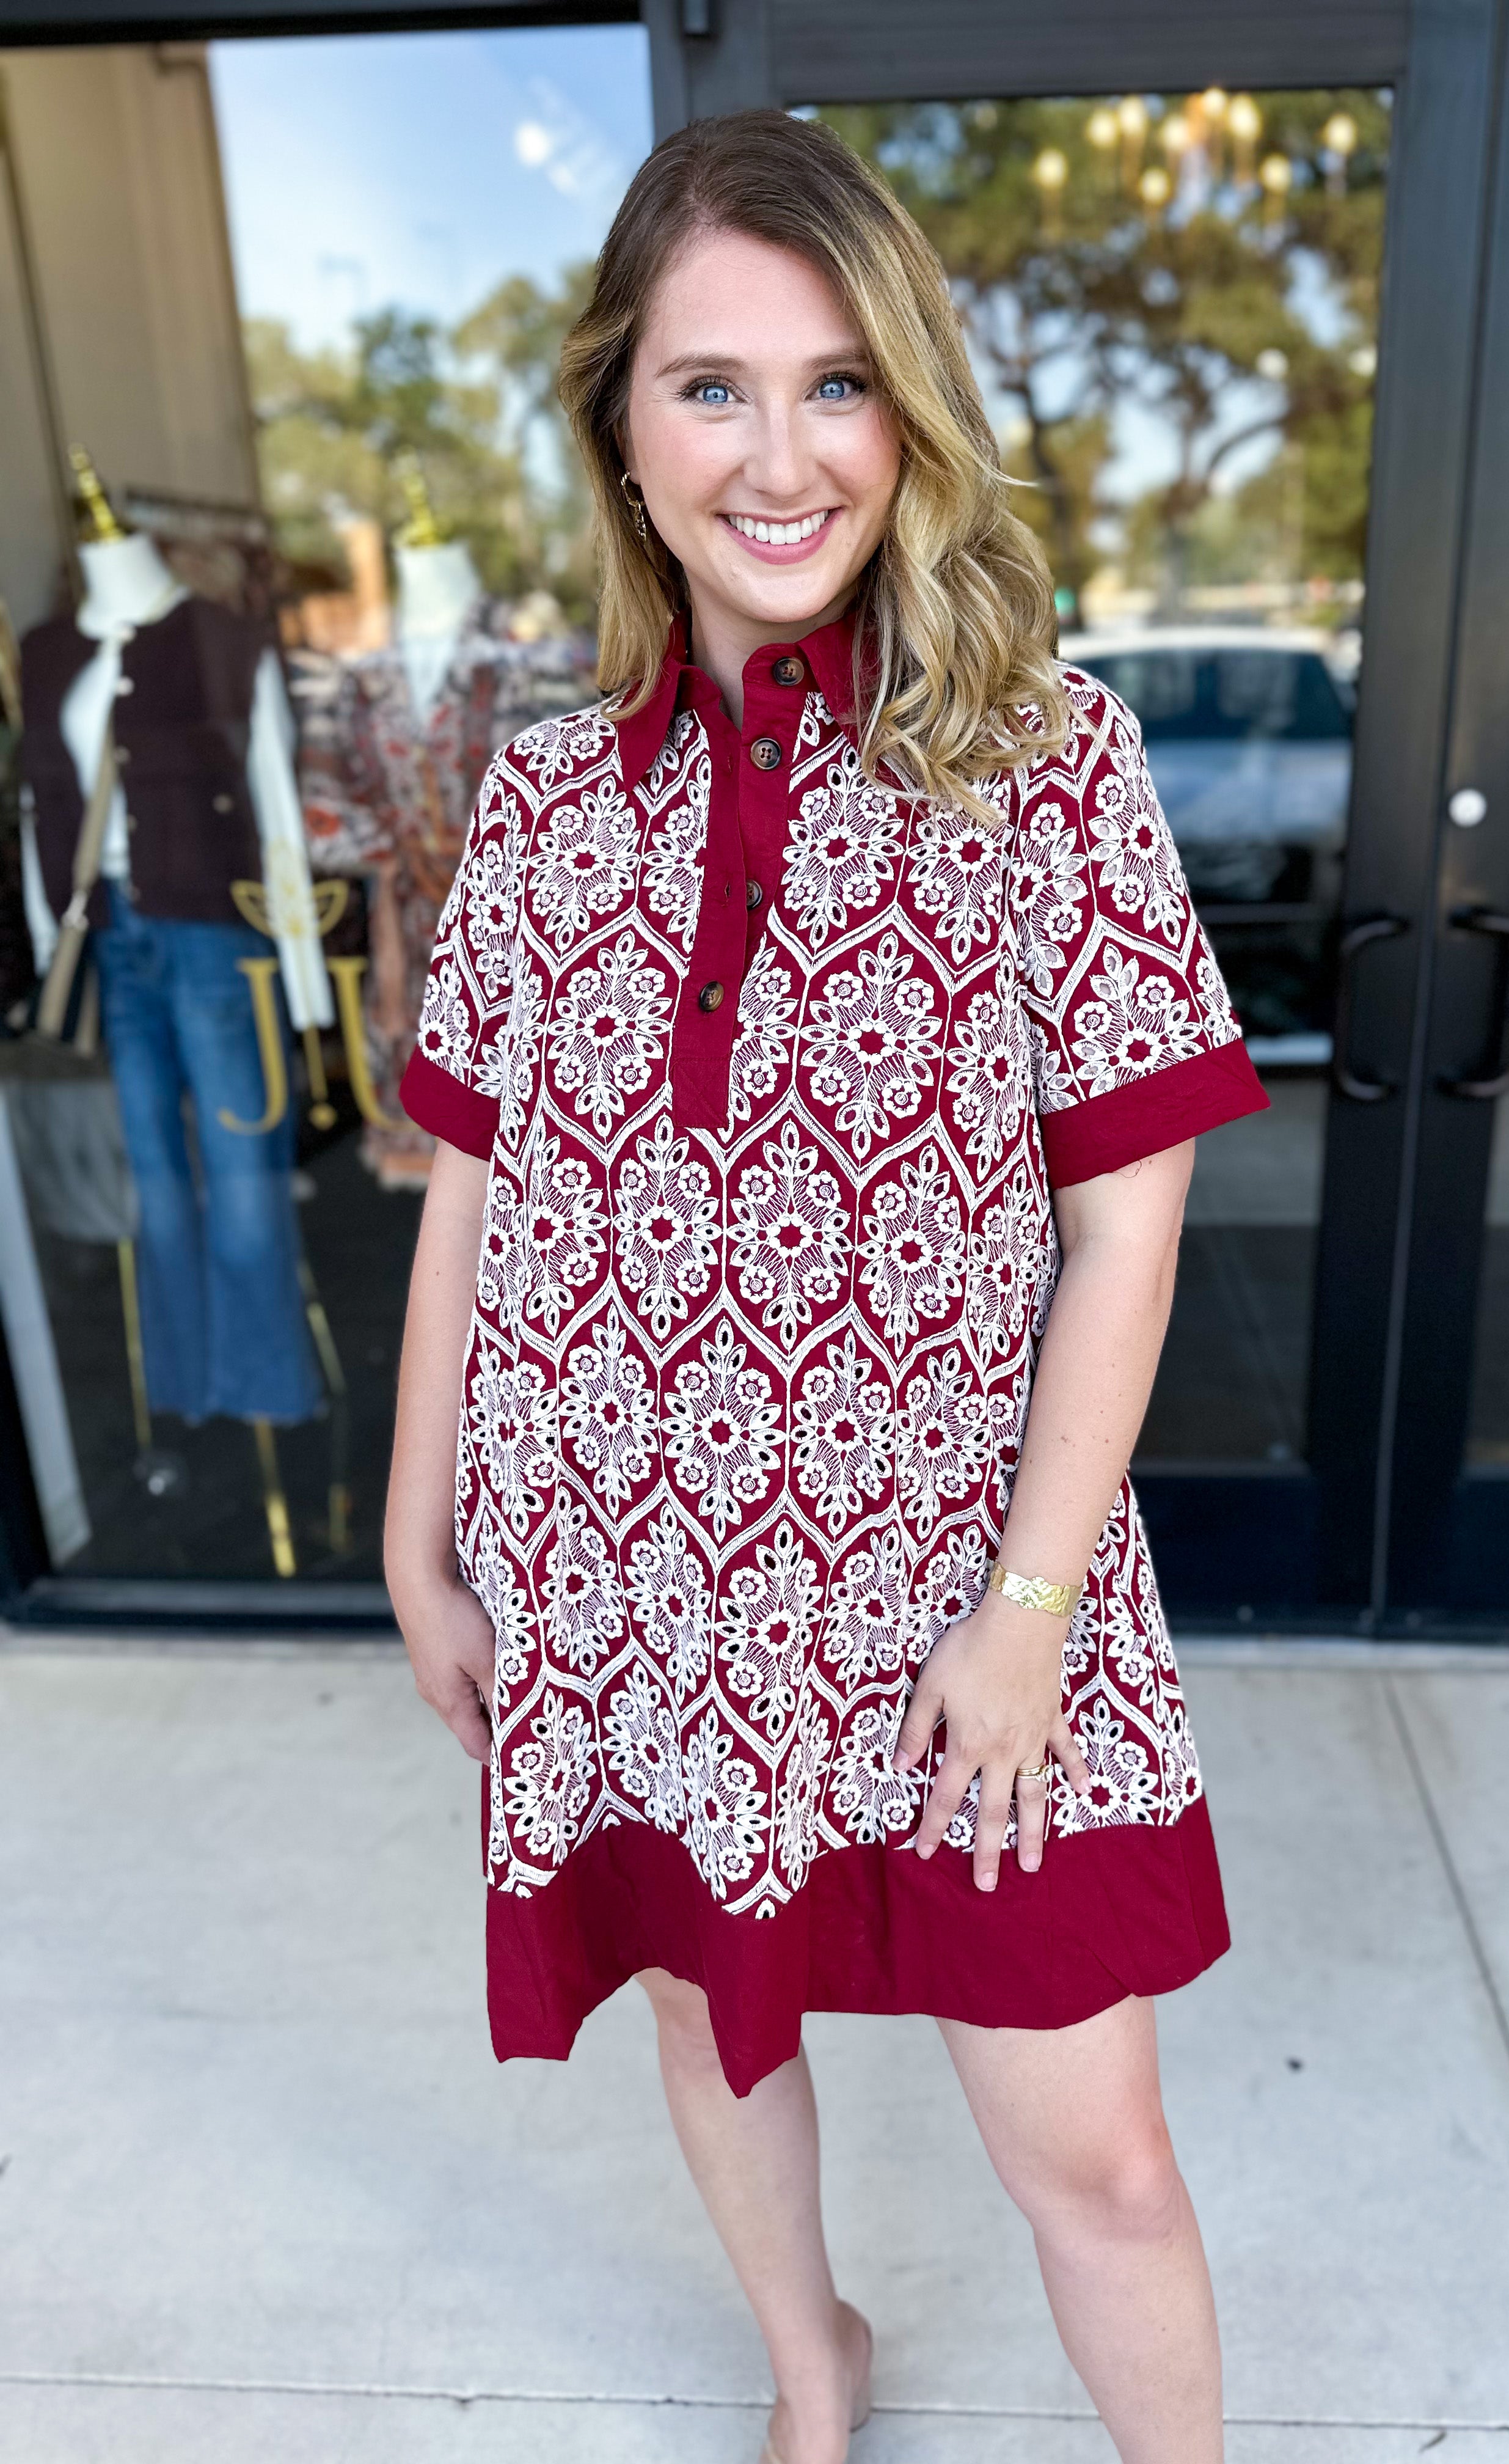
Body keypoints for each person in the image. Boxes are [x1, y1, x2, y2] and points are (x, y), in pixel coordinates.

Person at [384, 108, 1269, 2464]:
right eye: (713, 388)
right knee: (713, 2015)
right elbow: (472, 1192)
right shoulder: (544, 803)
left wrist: (1031, 1609)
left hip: (971, 1581)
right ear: (623, 429)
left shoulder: (1048, 764)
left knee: (1099, 2147)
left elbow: (1131, 1222)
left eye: (838, 384)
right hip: (633, 1568)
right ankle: (815, 2368)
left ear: (911, 412)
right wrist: (414, 1534)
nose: (780, 460)